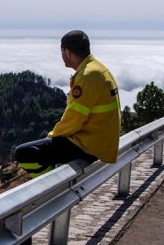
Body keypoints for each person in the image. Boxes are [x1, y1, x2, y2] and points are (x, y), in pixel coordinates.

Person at [16, 30, 121, 177]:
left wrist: (53, 135)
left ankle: (52, 187)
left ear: (67, 51)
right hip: (101, 142)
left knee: (24, 153)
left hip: (89, 145)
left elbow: (75, 118)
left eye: (61, 51)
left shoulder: (87, 76)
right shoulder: (97, 69)